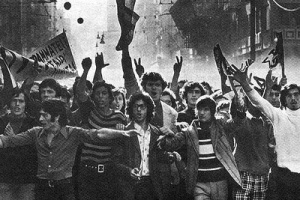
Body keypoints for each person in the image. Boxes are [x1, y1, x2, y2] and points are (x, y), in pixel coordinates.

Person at [0, 99, 138, 200]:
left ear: (57, 116)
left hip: (65, 189)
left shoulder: (74, 133)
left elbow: (98, 133)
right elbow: (9, 140)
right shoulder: (35, 133)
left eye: (45, 115)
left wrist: (121, 133)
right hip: (43, 189)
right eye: (40, 115)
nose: (40, 119)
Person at [229, 64, 300, 199]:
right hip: (284, 177)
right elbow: (258, 101)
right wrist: (244, 82)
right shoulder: (278, 115)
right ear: (283, 99)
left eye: (297, 94)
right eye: (289, 95)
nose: (293, 98)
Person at [160, 95, 242, 200]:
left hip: (220, 181)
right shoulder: (189, 131)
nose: (202, 112)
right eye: (199, 109)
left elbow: (236, 123)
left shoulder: (220, 126)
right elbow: (172, 143)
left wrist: (239, 106)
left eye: (206, 109)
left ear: (212, 111)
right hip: (199, 183)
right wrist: (164, 136)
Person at [75, 57, 127, 200]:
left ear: (110, 97)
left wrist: (120, 132)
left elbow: (123, 144)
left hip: (108, 171)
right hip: (87, 170)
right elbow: (80, 92)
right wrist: (86, 70)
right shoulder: (89, 110)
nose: (100, 97)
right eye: (97, 94)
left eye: (104, 93)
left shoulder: (119, 117)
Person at [117, 92, 176, 200]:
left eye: (142, 106)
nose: (139, 110)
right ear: (130, 109)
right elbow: (114, 161)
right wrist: (128, 171)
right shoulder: (124, 132)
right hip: (131, 186)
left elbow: (160, 156)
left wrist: (171, 155)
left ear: (148, 109)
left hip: (153, 185)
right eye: (135, 106)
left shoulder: (156, 132)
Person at [0, 89, 39, 200]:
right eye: (14, 101)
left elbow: (34, 150)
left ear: (26, 104)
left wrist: (12, 139)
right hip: (4, 177)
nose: (17, 104)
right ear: (9, 103)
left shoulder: (33, 123)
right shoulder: (1, 122)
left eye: (21, 101)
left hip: (27, 178)